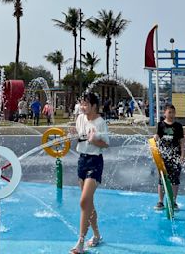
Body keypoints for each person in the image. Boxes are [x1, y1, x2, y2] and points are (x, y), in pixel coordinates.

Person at [69, 92, 109, 253]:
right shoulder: (80, 119)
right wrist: (73, 135)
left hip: (95, 162)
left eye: (86, 104)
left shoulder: (100, 122)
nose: (83, 107)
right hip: (82, 161)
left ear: (94, 106)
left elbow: (105, 144)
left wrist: (95, 140)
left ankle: (80, 241)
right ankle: (97, 235)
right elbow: (79, 137)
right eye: (82, 104)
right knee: (88, 203)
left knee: (83, 201)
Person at [153, 104, 185, 210]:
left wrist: (182, 155)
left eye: (173, 112)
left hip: (175, 156)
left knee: (175, 179)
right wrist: (155, 138)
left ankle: (173, 201)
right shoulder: (160, 125)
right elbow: (157, 138)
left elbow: (181, 142)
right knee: (162, 179)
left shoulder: (178, 126)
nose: (171, 115)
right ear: (165, 113)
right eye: (169, 112)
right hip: (163, 157)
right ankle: (160, 201)